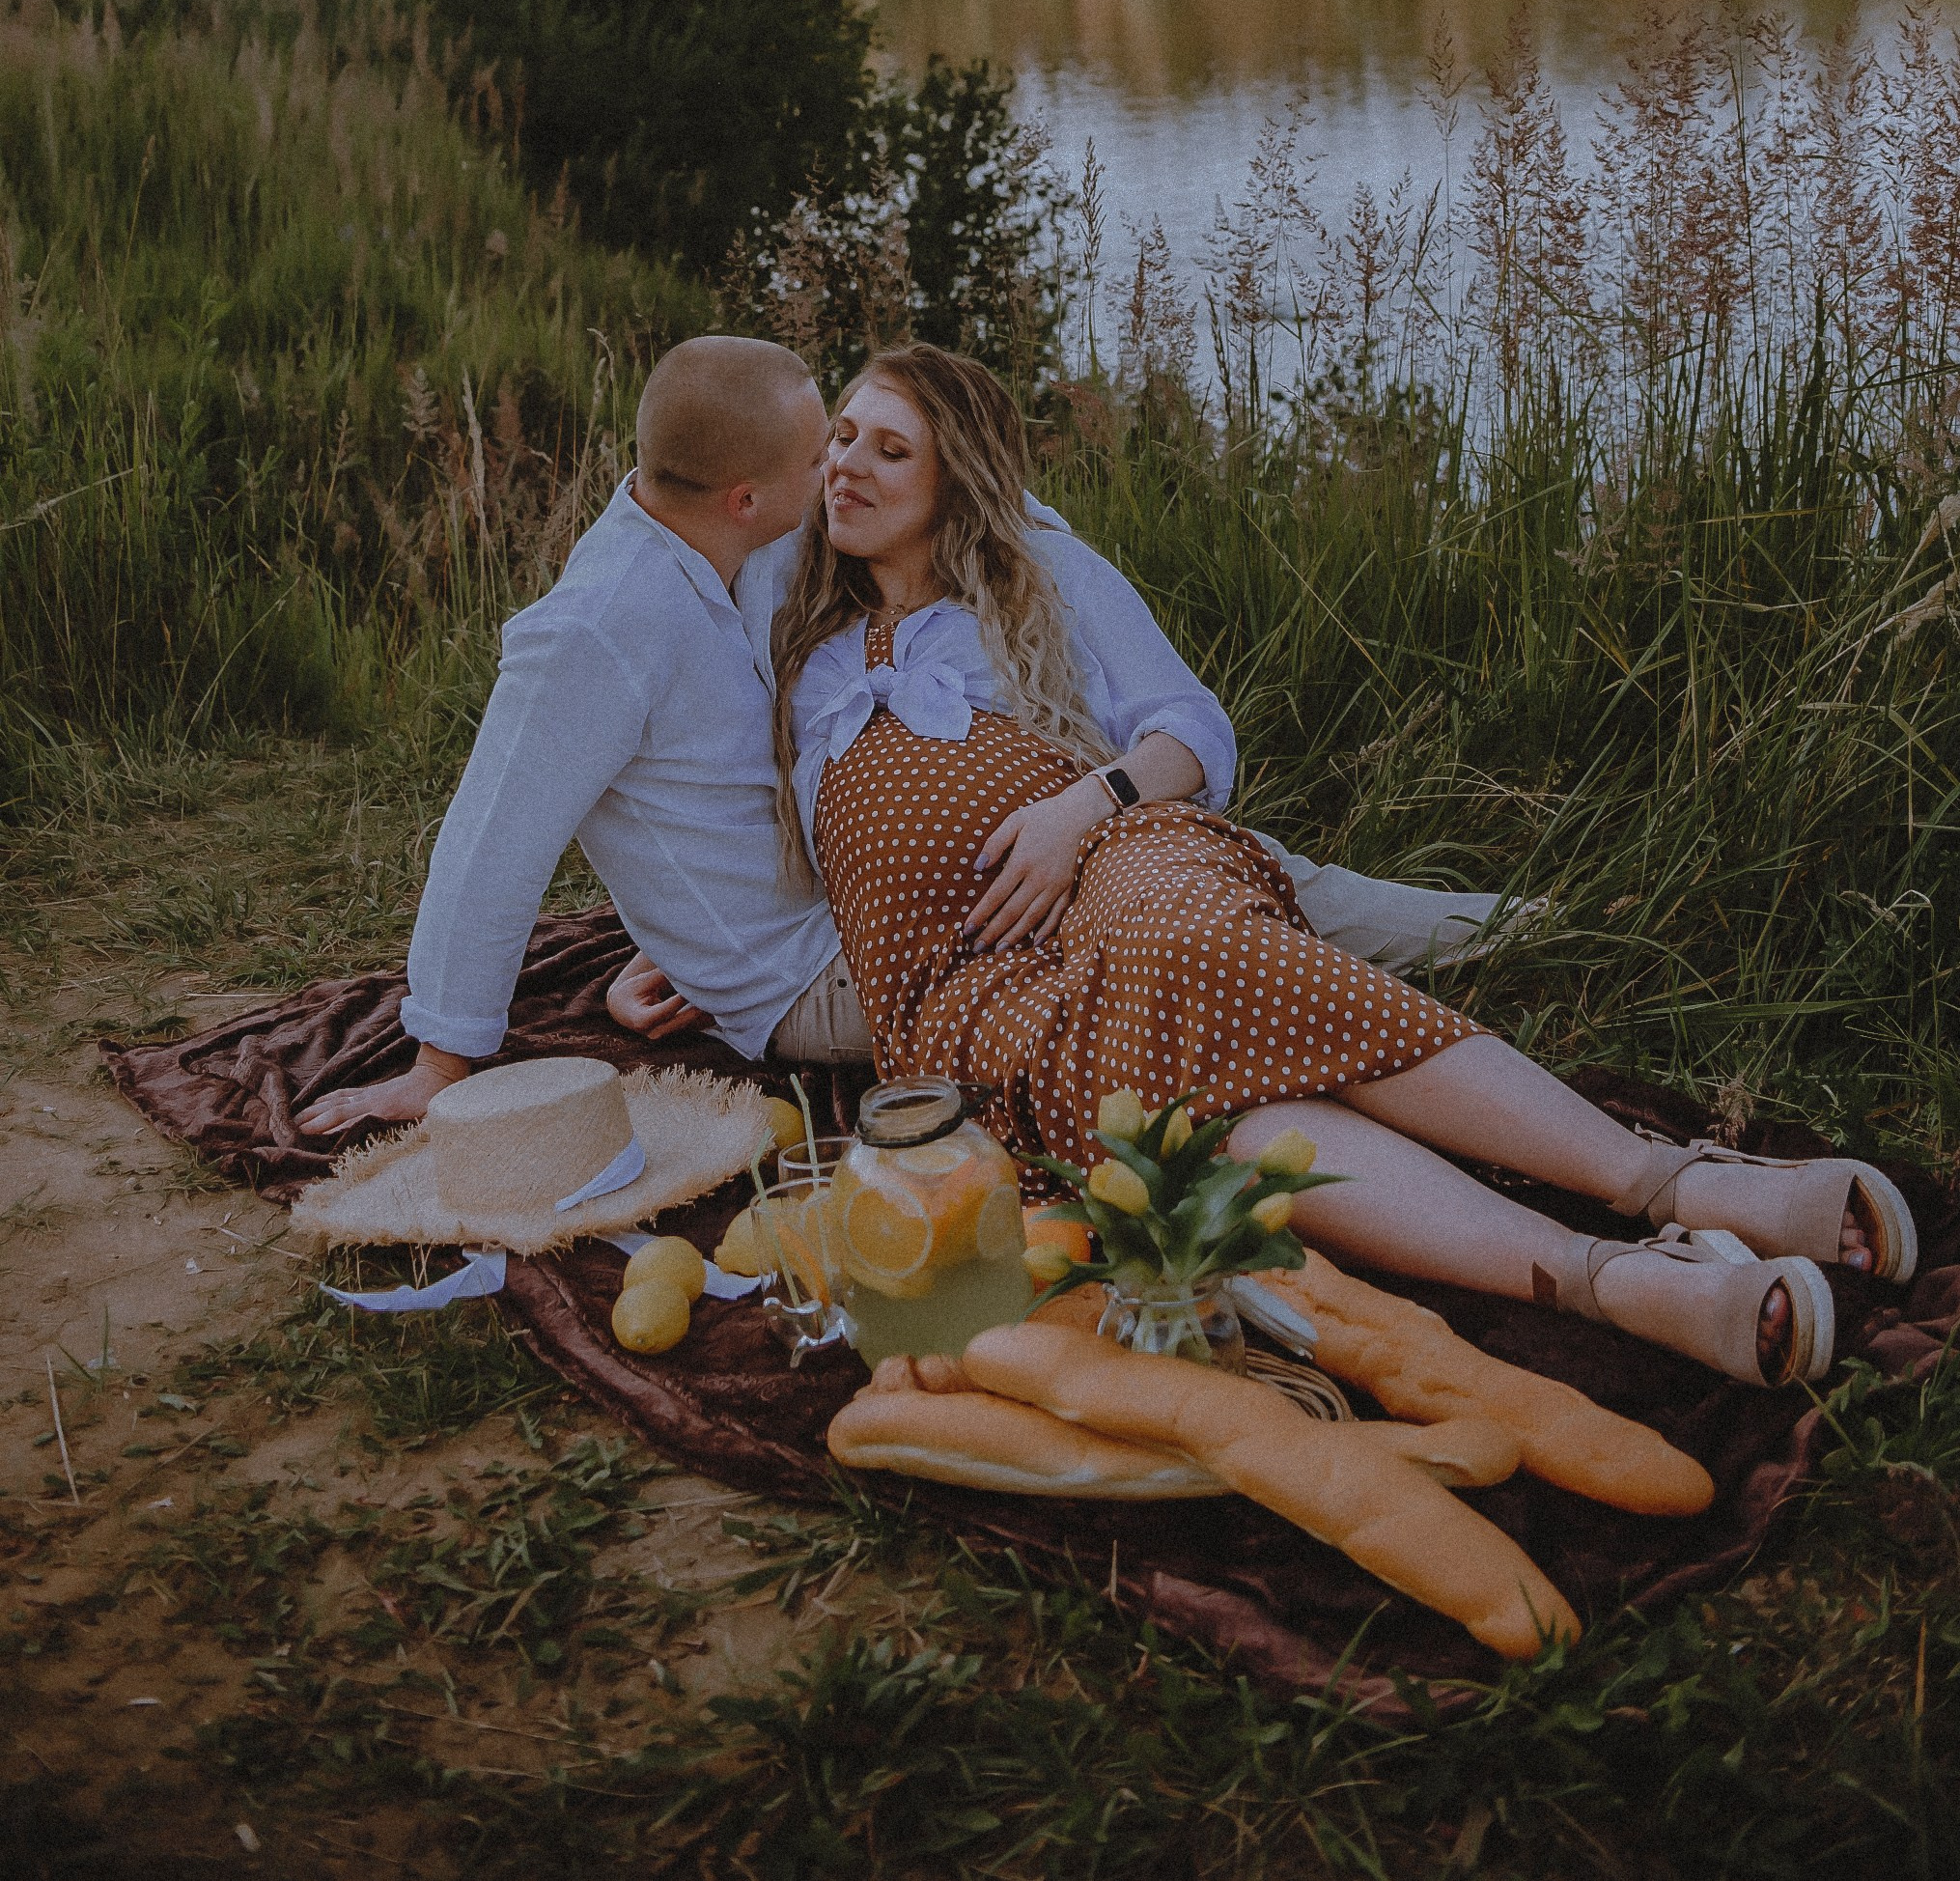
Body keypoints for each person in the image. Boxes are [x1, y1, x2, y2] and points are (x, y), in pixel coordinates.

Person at [769, 343, 1918, 1388]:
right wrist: (667, 959)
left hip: (1117, 858)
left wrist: (1083, 806)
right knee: (1195, 1115)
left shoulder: (1037, 581)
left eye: (889, 447)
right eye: (840, 438)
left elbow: (1190, 732)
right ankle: (1607, 1278)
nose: (846, 466)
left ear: (955, 477)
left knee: (1194, 952)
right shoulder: (788, 643)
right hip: (964, 985)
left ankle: (1670, 1185)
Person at [297, 336, 872, 1137]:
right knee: (1083, 965)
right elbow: (493, 841)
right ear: (744, 497)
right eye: (819, 458)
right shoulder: (596, 630)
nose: (836, 473)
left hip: (851, 911)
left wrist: (678, 936)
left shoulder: (736, 543)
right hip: (814, 981)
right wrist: (438, 1066)